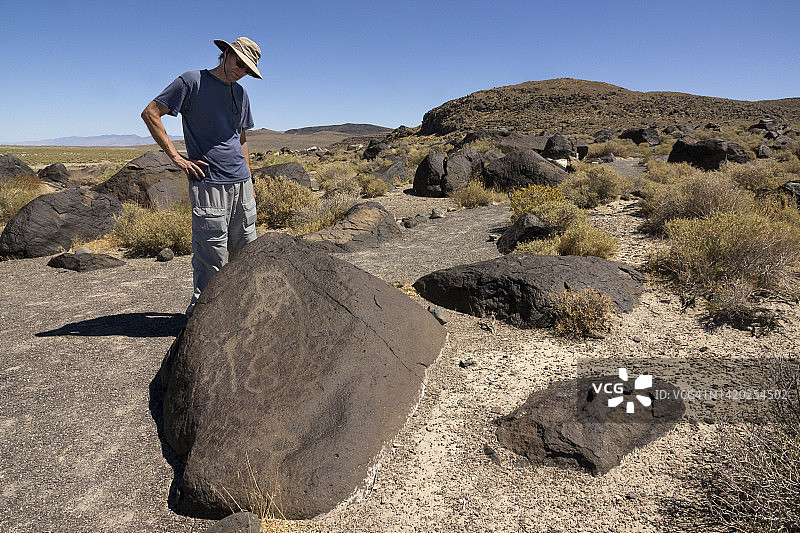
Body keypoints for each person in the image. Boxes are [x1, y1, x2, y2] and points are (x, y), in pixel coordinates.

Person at [141, 37, 263, 317]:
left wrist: (250, 178)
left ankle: (240, 315)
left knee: (246, 251)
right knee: (212, 258)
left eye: (247, 68)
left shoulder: (241, 94)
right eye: (239, 62)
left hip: (241, 184)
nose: (241, 70)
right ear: (227, 54)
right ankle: (203, 320)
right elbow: (150, 113)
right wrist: (177, 159)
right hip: (209, 184)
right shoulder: (191, 81)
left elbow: (241, 137)